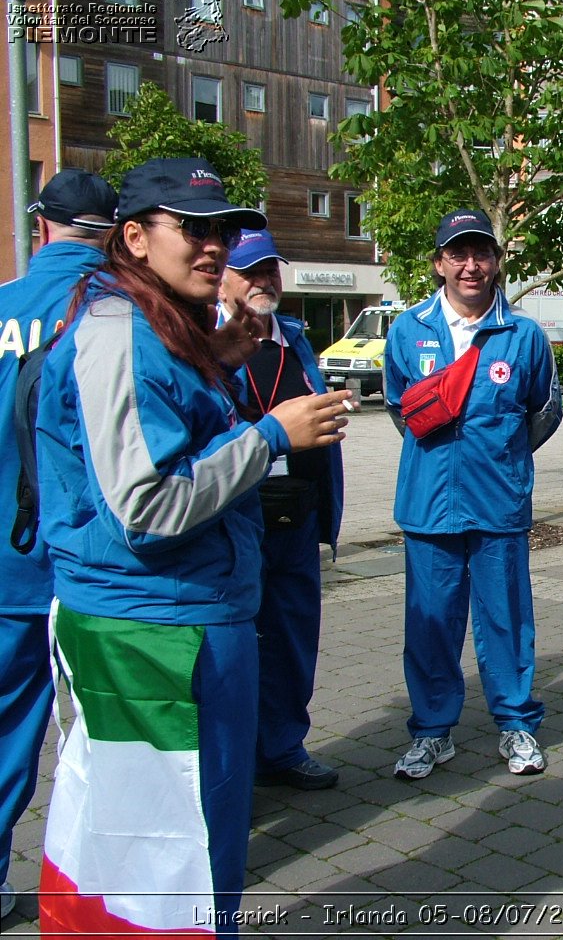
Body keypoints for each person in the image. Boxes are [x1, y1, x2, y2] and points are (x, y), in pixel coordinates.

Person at [34, 157, 351, 937]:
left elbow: (162, 432)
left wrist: (222, 360)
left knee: (167, 853)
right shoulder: (121, 333)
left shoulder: (151, 321)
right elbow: (146, 506)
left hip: (175, 617)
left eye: (222, 231)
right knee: (173, 856)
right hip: (156, 632)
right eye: (193, 229)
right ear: (134, 238)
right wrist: (272, 434)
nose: (214, 248)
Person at [384, 209, 562, 781]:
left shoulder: (524, 335)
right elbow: (397, 409)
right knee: (431, 622)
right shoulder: (407, 331)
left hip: (498, 506)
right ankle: (433, 733)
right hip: (428, 505)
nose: (470, 264)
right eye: (457, 253)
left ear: (496, 261)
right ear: (438, 263)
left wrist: (502, 460)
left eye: (480, 252)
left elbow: (545, 411)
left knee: (506, 619)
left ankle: (516, 724)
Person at [0, 169, 116, 920]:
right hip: (94, 567)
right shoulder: (122, 313)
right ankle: (108, 885)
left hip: (7, 564)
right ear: (113, 233)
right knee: (108, 733)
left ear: (42, 226)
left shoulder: (3, 306)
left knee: (8, 725)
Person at [217, 229, 344, 791]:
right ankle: (234, 762)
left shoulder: (296, 336)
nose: (264, 281)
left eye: (270, 269)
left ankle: (284, 747)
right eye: (249, 270)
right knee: (238, 645)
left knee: (294, 636)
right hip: (238, 515)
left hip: (299, 512)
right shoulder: (205, 342)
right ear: (222, 278)